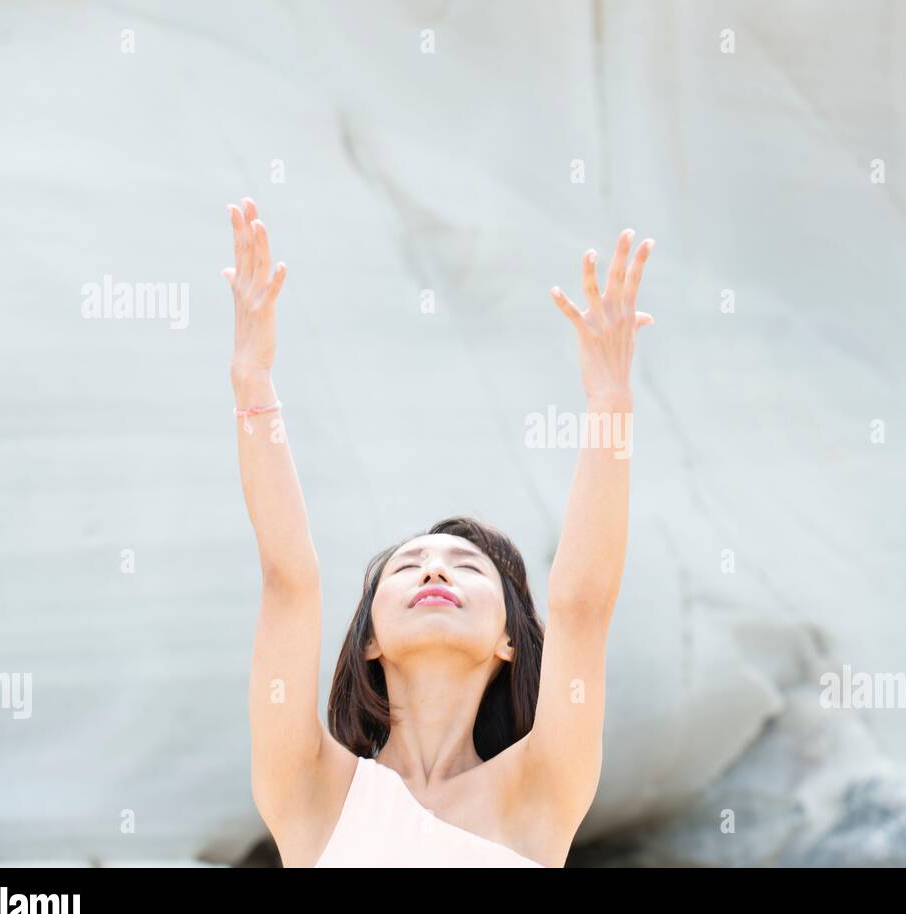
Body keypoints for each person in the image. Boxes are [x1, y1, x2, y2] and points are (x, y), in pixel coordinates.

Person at [223, 198, 655, 866]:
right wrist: (252, 383)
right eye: (407, 566)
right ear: (369, 638)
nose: (434, 569)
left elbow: (583, 604)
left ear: (510, 639)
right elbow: (289, 578)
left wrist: (610, 404)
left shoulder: (541, 789)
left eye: (468, 566)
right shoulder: (311, 789)